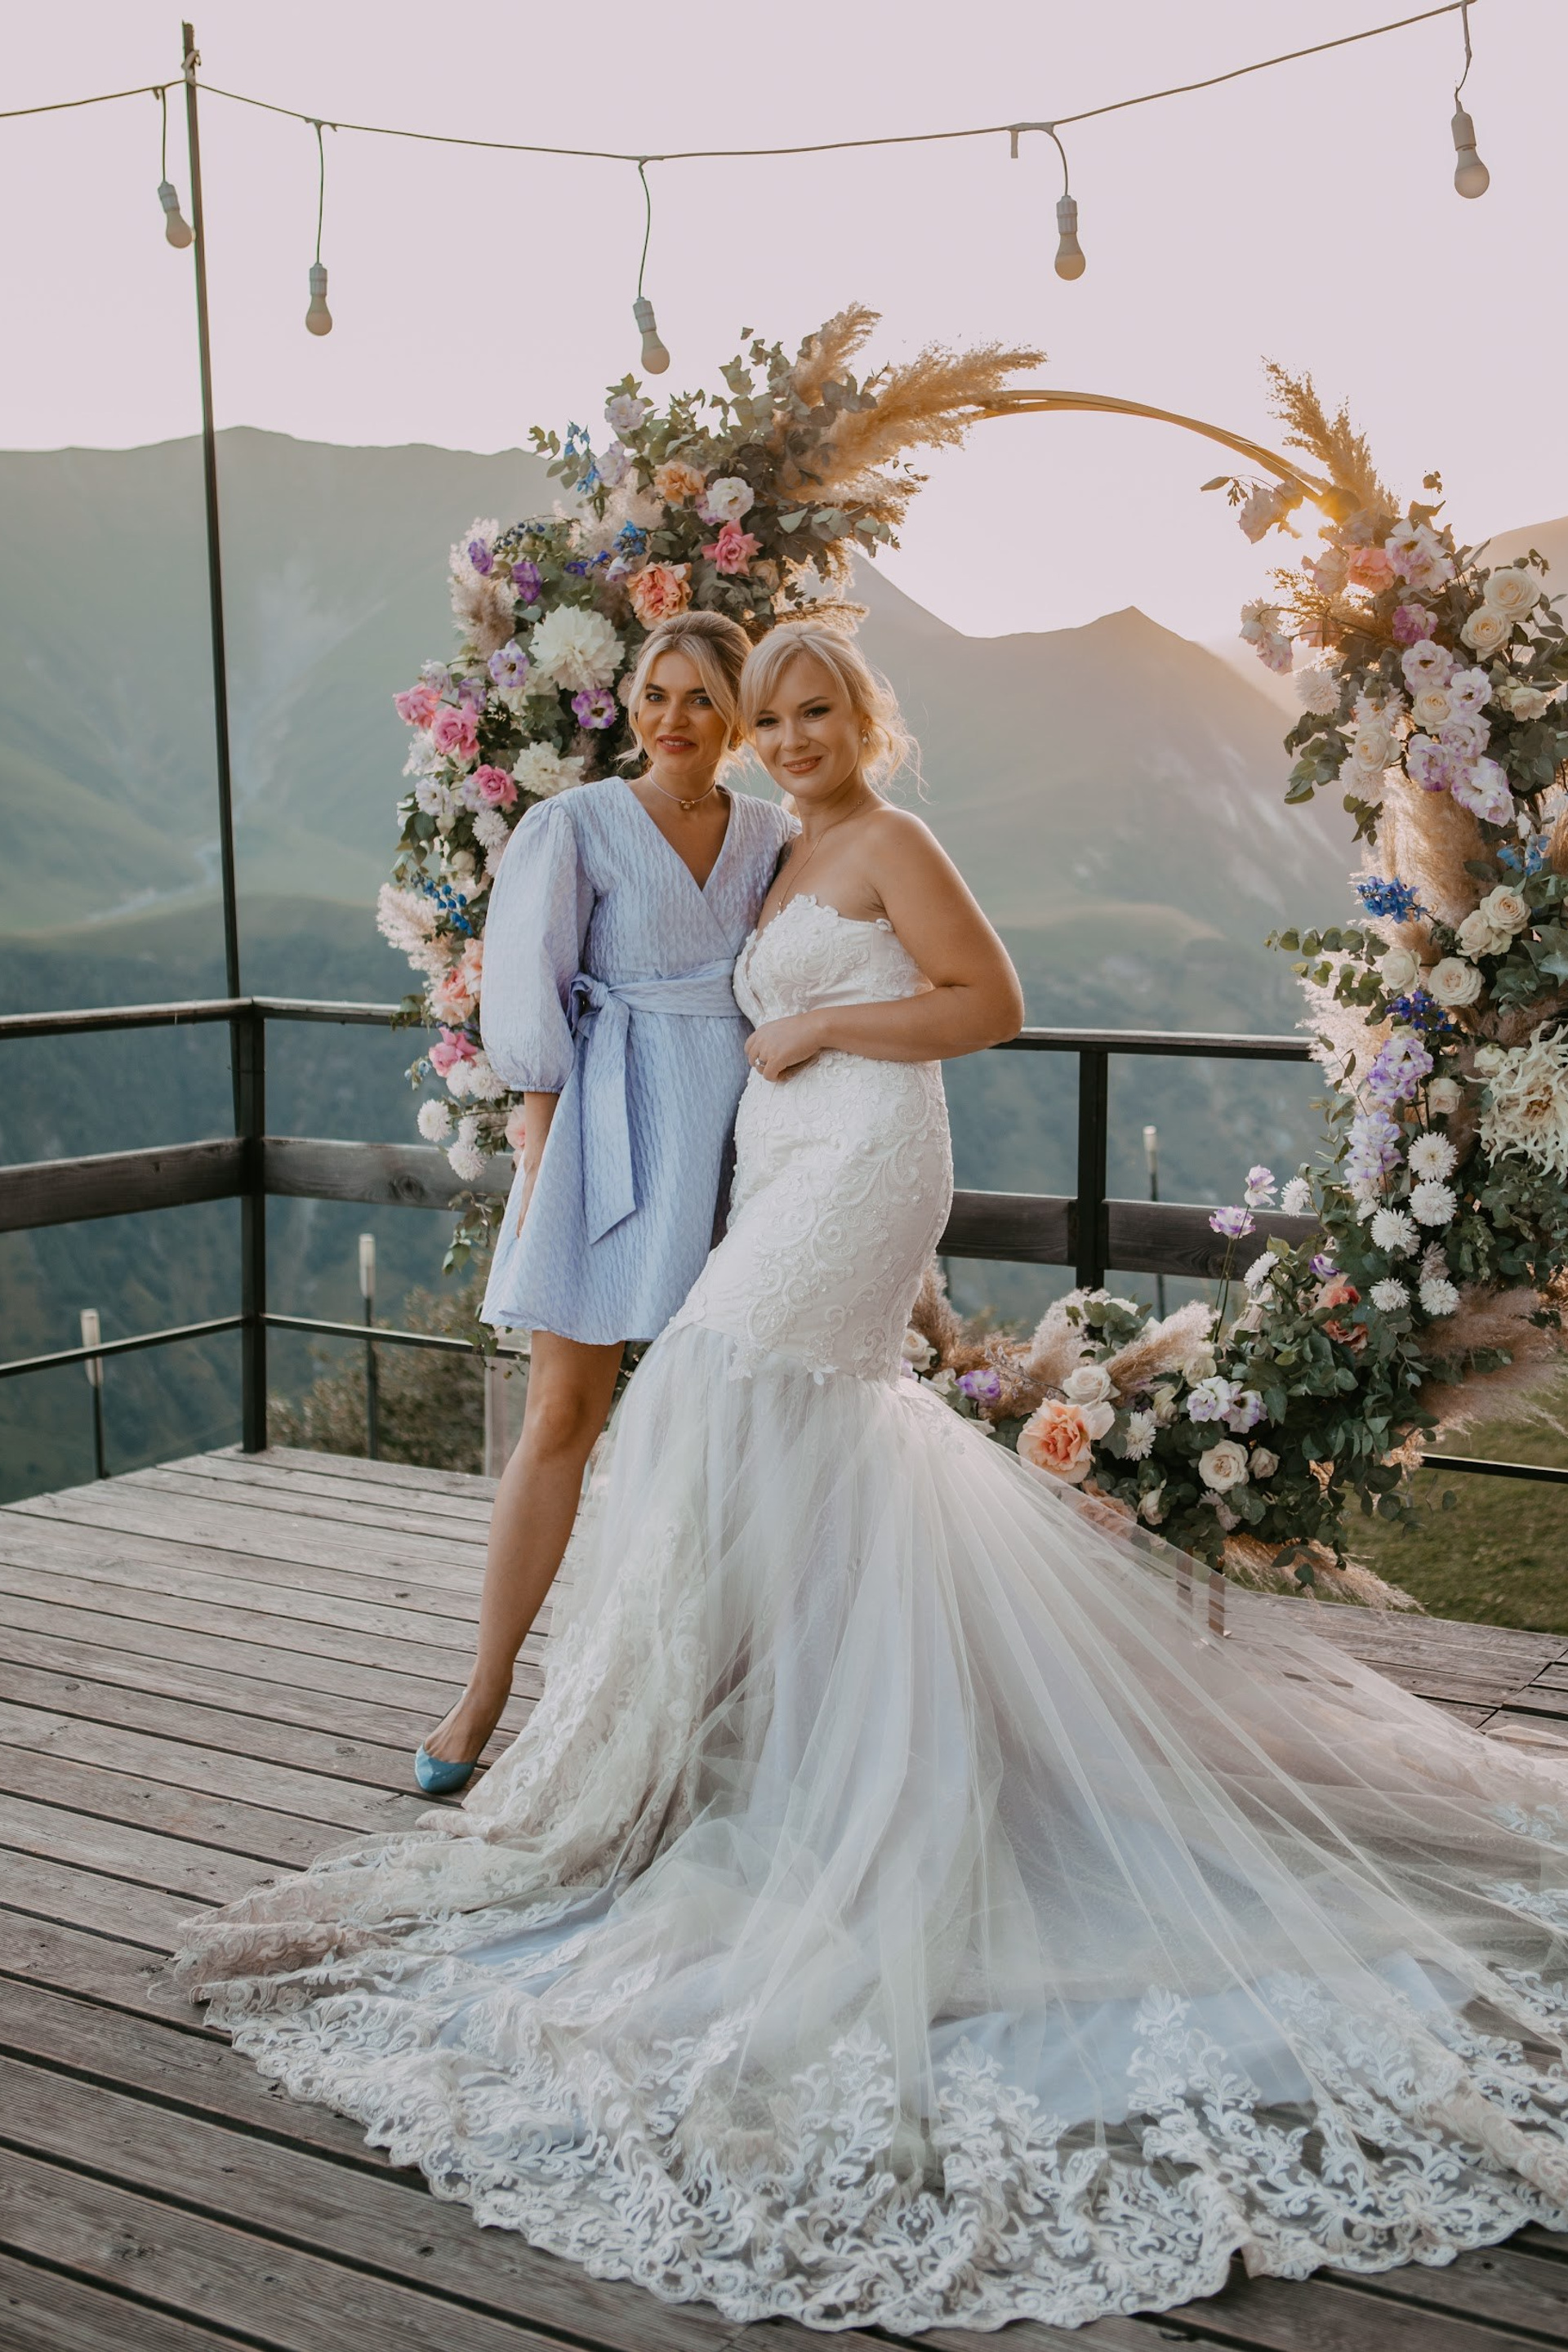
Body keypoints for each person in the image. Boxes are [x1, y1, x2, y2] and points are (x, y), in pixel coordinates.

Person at [178, 626, 1568, 2338]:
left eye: (806, 707)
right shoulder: (770, 847)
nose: (781, 733)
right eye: (764, 714)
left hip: (855, 1168)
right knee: (802, 1434)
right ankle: (792, 1730)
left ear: (861, 719)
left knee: (713, 1383)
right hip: (772, 1168)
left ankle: (748, 1750)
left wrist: (823, 1019)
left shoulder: (885, 841)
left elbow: (989, 1004)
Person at [414, 609, 793, 1793]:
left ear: (738, 712)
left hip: (736, 1138)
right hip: (606, 1126)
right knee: (563, 1418)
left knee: (720, 1434)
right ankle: (483, 1694)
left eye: (698, 697)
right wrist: (540, 1159)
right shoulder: (574, 823)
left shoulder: (777, 833)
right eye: (654, 693)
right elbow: (527, 996)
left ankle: (693, 1702)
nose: (671, 718)